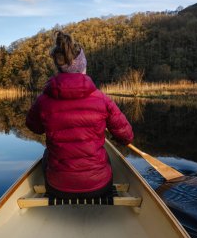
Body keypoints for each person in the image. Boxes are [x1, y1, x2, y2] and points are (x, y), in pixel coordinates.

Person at [26, 30, 133, 199]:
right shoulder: (102, 100)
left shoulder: (43, 100)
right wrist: (115, 136)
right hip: (99, 186)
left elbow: (33, 126)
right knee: (105, 156)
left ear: (60, 69)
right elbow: (127, 136)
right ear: (83, 67)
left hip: (57, 187)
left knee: (48, 153)